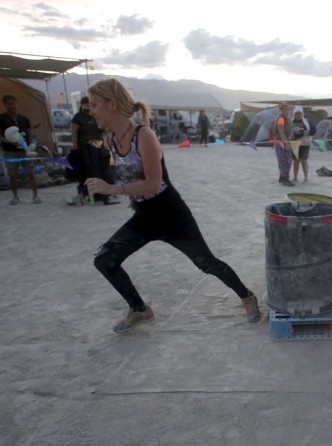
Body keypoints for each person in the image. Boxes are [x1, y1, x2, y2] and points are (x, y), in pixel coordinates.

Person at [84, 78, 260, 333]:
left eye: (95, 104)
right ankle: (140, 309)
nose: (91, 111)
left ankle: (247, 296)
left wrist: (111, 189)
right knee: (104, 259)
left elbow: (154, 184)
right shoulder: (111, 140)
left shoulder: (144, 136)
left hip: (172, 216)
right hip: (145, 217)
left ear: (112, 105)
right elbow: (130, 177)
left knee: (206, 263)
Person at [66, 96, 114, 205]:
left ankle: (104, 195)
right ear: (82, 104)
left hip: (98, 146)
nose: (88, 106)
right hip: (86, 147)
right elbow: (74, 133)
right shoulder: (78, 117)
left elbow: (105, 130)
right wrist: (75, 147)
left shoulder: (95, 115)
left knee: (103, 170)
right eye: (87, 104)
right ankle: (88, 194)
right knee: (89, 172)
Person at [0, 94, 40, 204]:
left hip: (25, 151)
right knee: (12, 175)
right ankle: (15, 197)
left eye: (14, 104)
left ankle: (35, 196)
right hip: (9, 152)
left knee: (30, 173)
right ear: (5, 105)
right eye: (9, 104)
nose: (12, 106)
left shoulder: (24, 119)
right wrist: (9, 140)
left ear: (17, 104)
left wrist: (32, 145)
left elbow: (30, 134)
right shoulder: (1, 119)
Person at [273, 102, 294, 186]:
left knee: (287, 160)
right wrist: (286, 143)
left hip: (286, 141)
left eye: (288, 108)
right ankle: (285, 178)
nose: (287, 110)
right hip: (281, 142)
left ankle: (282, 176)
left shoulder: (287, 118)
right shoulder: (281, 119)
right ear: (281, 110)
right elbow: (281, 132)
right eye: (285, 109)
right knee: (285, 161)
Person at [291, 106, 314, 183]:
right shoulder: (291, 122)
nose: (298, 115)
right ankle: (295, 177)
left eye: (299, 114)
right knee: (295, 161)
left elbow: (314, 130)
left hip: (305, 144)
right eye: (296, 114)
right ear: (294, 114)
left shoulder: (306, 122)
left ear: (302, 114)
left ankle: (306, 177)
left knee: (303, 160)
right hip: (294, 144)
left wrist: (308, 132)